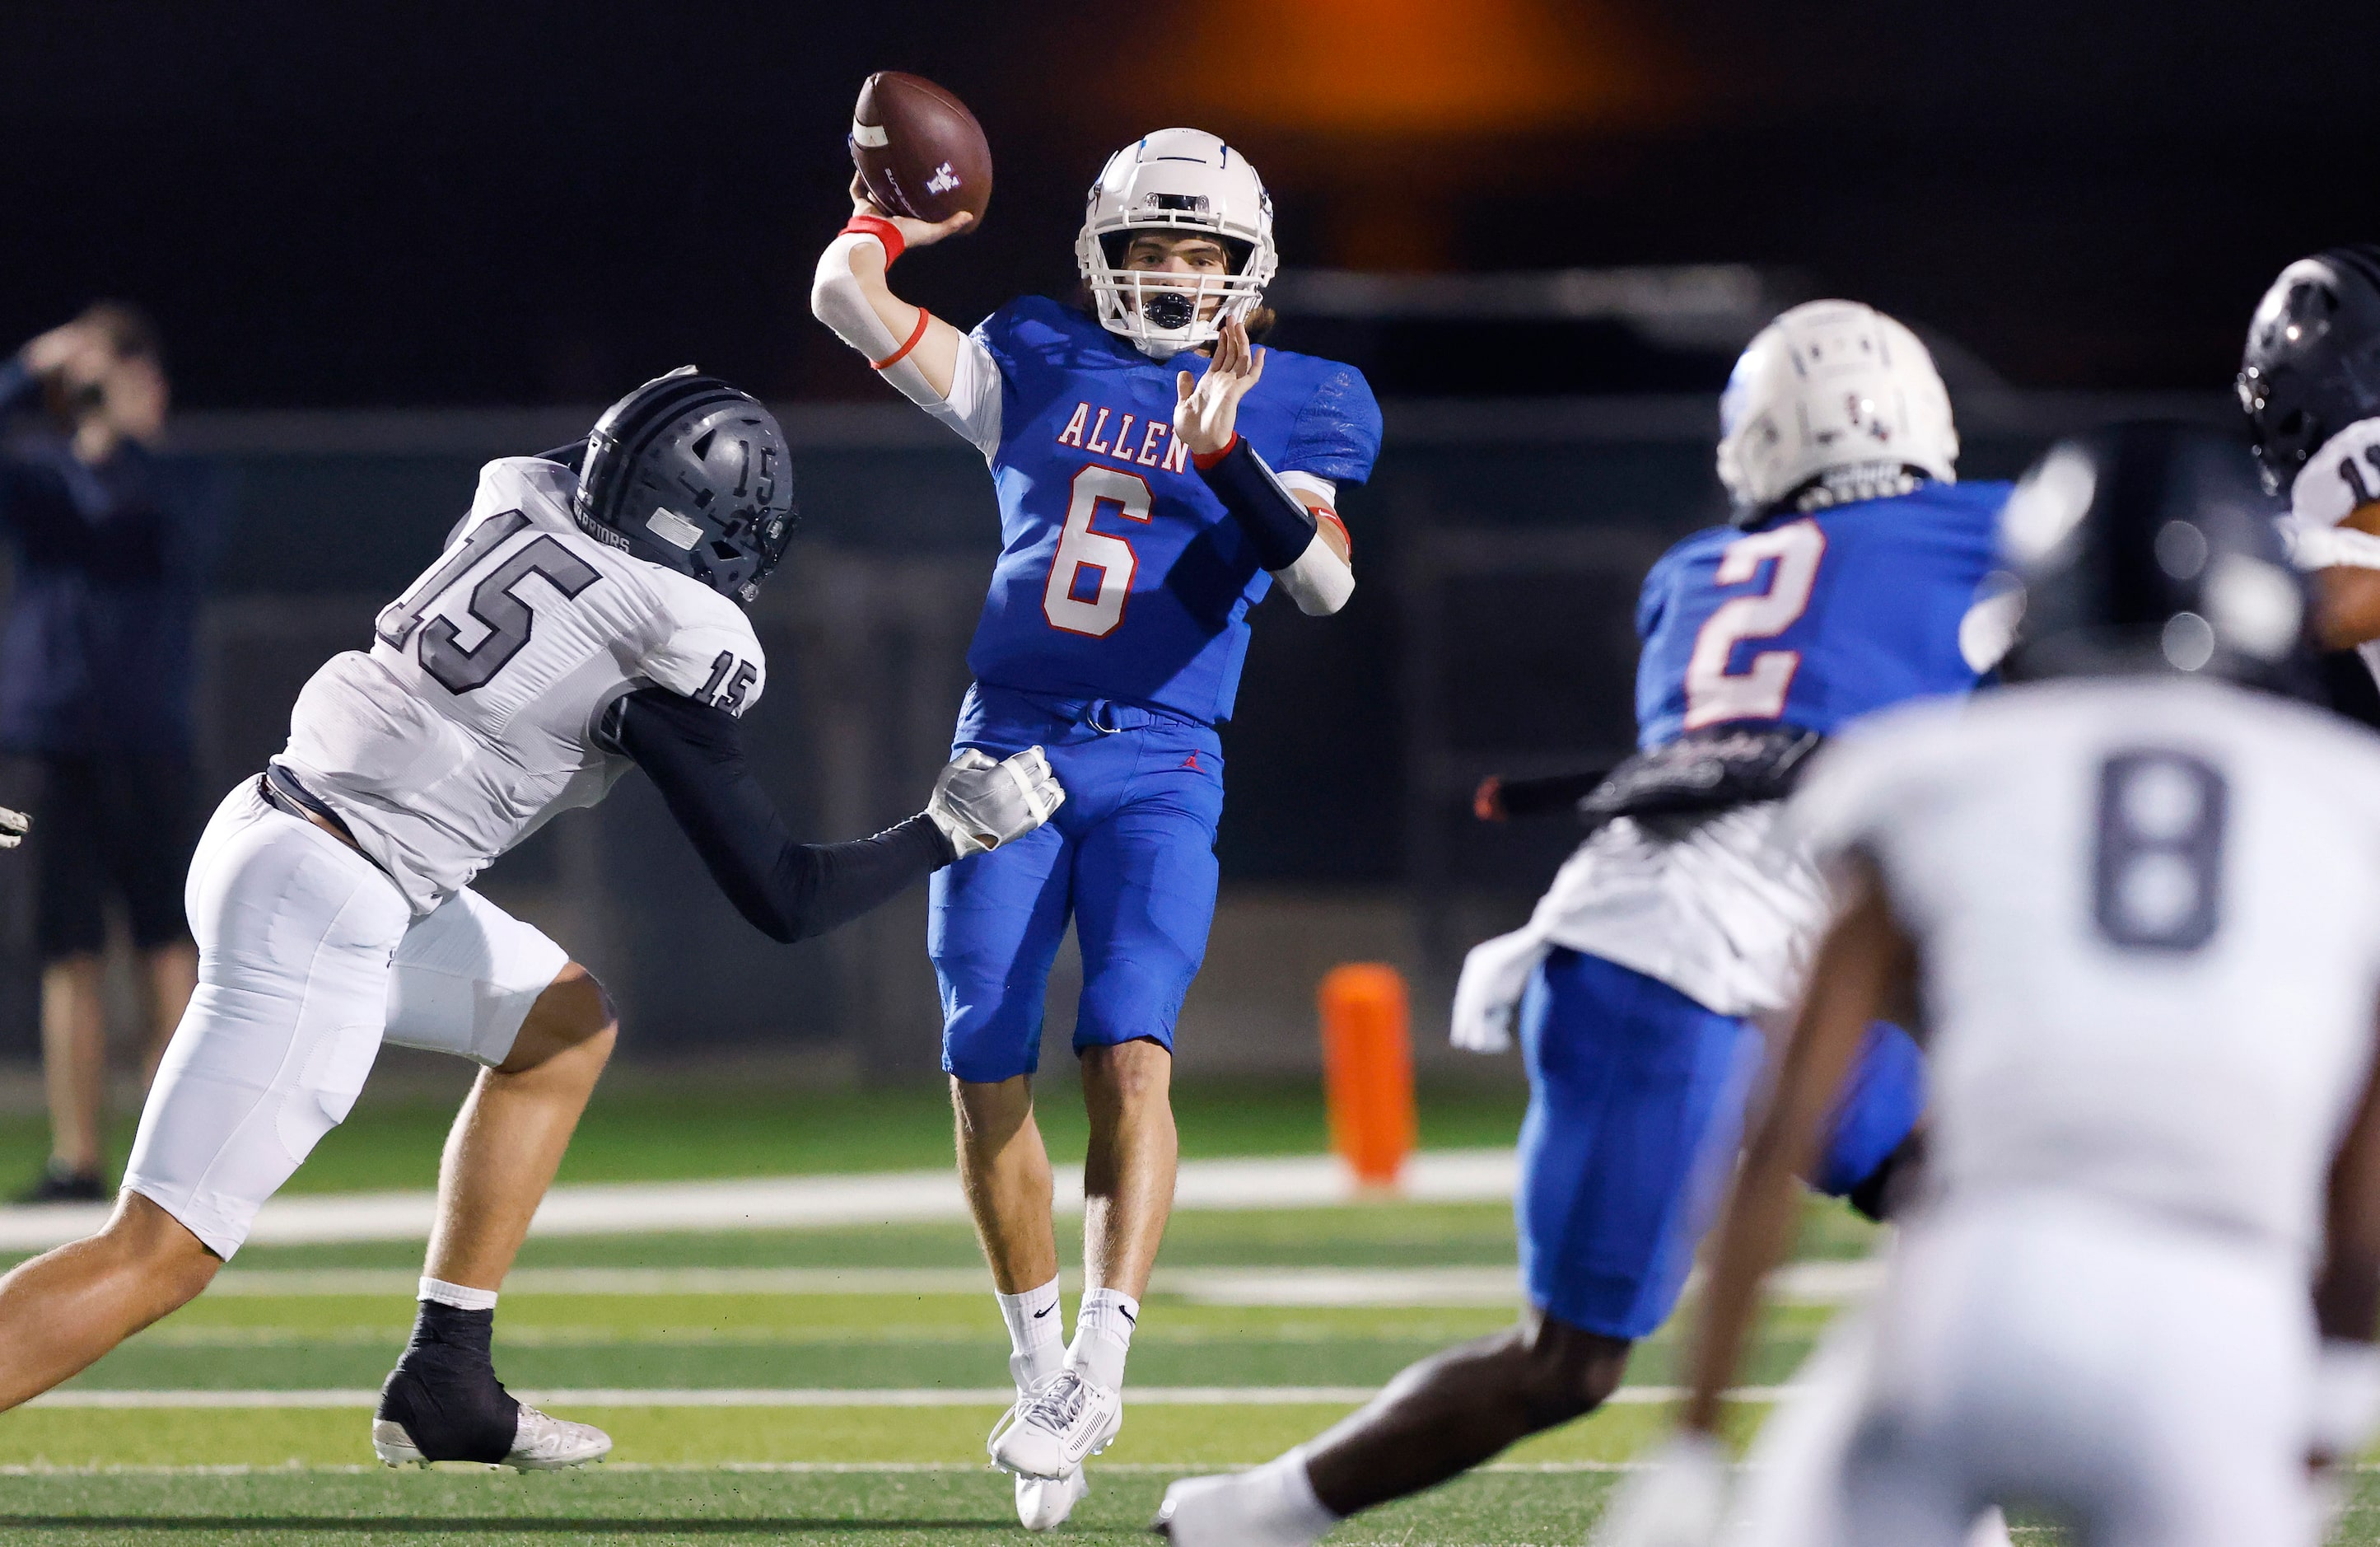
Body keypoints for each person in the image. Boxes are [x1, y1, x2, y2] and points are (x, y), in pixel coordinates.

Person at [0, 369, 1065, 1472]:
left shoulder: (523, 492)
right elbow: (786, 897)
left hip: (277, 827)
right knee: (159, 1250)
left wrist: (655, 419)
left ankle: (445, 1378)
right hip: (330, 898)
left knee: (560, 1023)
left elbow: (596, 455)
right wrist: (945, 829)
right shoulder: (669, 635)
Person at [1155, 301, 2014, 1545]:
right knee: (1568, 1364)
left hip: (1746, 945)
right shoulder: (1986, 535)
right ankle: (1251, 1515)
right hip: (1671, 964)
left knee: (1969, 1195)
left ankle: (1945, 1506)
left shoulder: (1694, 575)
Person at [1637, 422, 2380, 1546]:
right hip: (2219, 1312)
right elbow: (2362, 1204)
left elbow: (1784, 1123)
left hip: (1979, 1281)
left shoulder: (1935, 769)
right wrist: (2318, 1416)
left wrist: (1690, 1440)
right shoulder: (2343, 799)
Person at [810, 130, 1379, 1530]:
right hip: (1008, 740)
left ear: (1246, 269)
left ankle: (1104, 1357)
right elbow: (843, 297)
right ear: (1101, 258)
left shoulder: (1302, 396)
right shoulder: (1041, 353)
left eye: (1200, 252)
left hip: (1168, 759)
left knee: (1129, 1040)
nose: (1175, 274)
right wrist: (892, 222)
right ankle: (1035, 1364)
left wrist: (1229, 452)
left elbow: (1319, 583)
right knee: (979, 1050)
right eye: (1149, 248)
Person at [0, 305, 226, 1203]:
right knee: (68, 950)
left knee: (168, 947)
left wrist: (113, 435)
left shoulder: (186, 477)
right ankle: (77, 1158)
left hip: (148, 742)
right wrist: (30, 368)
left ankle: (169, 1163)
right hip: (44, 746)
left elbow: (144, 529)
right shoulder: (43, 479)